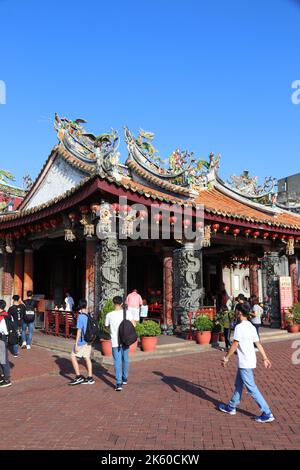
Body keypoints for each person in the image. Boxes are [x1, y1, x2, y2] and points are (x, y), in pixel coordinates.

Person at [218, 303, 275, 423]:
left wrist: (226, 357)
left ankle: (267, 412)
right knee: (238, 384)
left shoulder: (240, 327)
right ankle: (231, 406)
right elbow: (258, 343)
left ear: (239, 312)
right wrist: (265, 358)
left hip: (245, 362)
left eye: (236, 310)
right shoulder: (251, 326)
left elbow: (235, 345)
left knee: (251, 388)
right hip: (249, 360)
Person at [105, 296, 135, 391]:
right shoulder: (127, 313)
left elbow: (106, 326)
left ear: (113, 303)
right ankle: (125, 378)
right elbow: (134, 324)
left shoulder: (109, 315)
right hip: (125, 340)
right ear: (122, 303)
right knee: (125, 358)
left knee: (117, 361)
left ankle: (119, 383)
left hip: (115, 341)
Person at [69, 299, 95, 385]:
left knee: (73, 356)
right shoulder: (89, 315)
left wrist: (76, 344)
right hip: (89, 341)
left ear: (79, 306)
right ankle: (90, 377)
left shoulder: (80, 316)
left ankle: (78, 376)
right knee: (87, 358)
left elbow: (79, 331)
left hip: (82, 341)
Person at [0, 300, 12, 388]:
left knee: (3, 360)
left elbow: (3, 330)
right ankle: (1, 376)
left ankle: (7, 379)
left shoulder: (2, 317)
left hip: (2, 339)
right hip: (3, 339)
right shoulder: (7, 315)